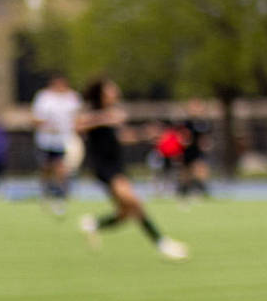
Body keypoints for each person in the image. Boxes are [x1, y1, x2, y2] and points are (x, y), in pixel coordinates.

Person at [74, 80, 186, 260]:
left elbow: (122, 137)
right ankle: (161, 242)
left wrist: (144, 134)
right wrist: (104, 119)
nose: (115, 91)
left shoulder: (116, 113)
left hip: (117, 165)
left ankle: (95, 224)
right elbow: (78, 126)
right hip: (104, 167)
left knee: (125, 212)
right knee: (134, 202)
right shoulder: (93, 113)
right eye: (110, 88)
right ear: (102, 93)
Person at [31, 73, 81, 216]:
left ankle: (61, 193)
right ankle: (45, 191)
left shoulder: (72, 98)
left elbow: (77, 118)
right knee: (46, 167)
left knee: (60, 166)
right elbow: (35, 118)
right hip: (45, 140)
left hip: (62, 140)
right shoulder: (44, 97)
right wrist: (46, 124)